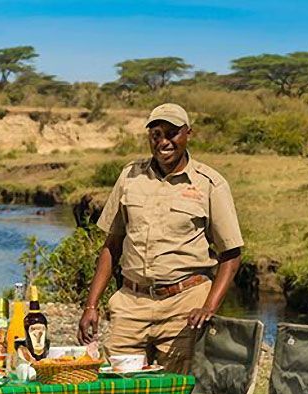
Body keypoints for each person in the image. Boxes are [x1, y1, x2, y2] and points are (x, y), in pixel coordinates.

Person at [77, 103, 243, 375]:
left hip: (184, 304)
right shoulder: (130, 176)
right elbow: (112, 245)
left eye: (172, 133)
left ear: (188, 133)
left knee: (175, 392)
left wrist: (208, 307)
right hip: (131, 301)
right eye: (156, 134)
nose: (164, 142)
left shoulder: (209, 184)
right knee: (119, 386)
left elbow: (231, 254)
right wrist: (91, 306)